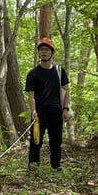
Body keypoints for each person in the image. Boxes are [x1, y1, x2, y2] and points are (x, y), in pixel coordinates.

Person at [25, 38, 70, 171]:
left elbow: (67, 90)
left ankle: (56, 167)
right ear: (38, 53)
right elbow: (31, 96)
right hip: (39, 114)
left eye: (46, 50)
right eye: (41, 50)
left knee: (56, 142)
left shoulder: (60, 71)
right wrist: (33, 111)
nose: (43, 52)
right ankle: (33, 167)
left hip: (56, 112)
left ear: (52, 52)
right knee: (35, 142)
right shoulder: (33, 74)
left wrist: (66, 109)